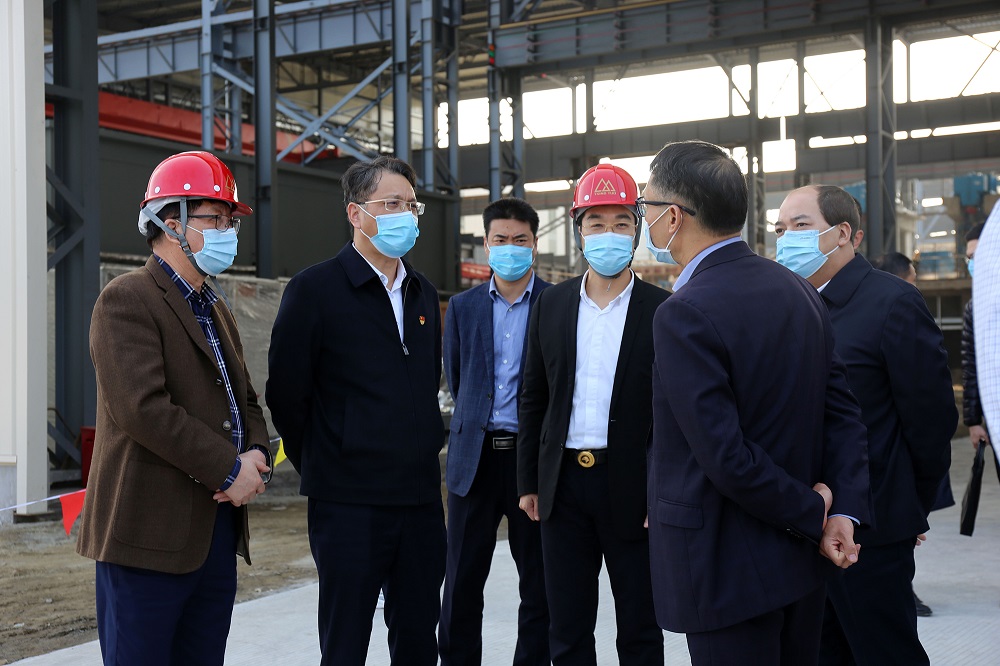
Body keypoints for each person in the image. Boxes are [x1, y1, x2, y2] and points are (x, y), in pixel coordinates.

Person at [645, 141, 872, 665]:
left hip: (725, 568)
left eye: (646, 207)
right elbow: (843, 416)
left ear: (673, 217)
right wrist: (844, 512)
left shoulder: (684, 312)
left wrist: (813, 511)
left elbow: (725, 455)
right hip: (799, 565)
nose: (644, 219)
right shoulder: (800, 291)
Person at [77, 151, 273, 666]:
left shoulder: (215, 306)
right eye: (216, 219)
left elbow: (245, 398)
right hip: (148, 536)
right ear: (171, 222)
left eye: (231, 221)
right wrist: (228, 468)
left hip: (214, 534)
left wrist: (256, 454)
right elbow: (142, 409)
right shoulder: (127, 299)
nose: (228, 232)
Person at [266, 156, 446, 665]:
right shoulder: (315, 290)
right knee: (345, 642)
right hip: (349, 504)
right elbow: (287, 395)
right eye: (391, 204)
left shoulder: (423, 294)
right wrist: (328, 461)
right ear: (355, 213)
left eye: (411, 205)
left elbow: (425, 382)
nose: (405, 215)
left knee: (418, 639)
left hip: (419, 502)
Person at [776, 184, 956, 665]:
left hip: (873, 526)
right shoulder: (790, 304)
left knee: (883, 649)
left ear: (843, 234)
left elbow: (931, 419)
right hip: (805, 522)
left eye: (800, 226)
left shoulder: (892, 302)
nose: (786, 239)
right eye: (780, 229)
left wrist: (909, 505)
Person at [517, 163, 668, 665]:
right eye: (596, 223)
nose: (609, 234)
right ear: (579, 230)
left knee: (640, 627)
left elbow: (672, 413)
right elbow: (534, 396)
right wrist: (529, 481)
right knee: (567, 626)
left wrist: (661, 489)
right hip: (562, 487)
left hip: (632, 486)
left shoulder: (663, 310)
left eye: (621, 223)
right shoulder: (552, 305)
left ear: (637, 230)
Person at [439, 198, 551, 666]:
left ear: (534, 244)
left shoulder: (556, 303)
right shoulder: (463, 307)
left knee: (539, 585)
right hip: (474, 460)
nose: (510, 247)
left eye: (520, 240)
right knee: (461, 583)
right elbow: (458, 377)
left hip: (532, 462)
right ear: (486, 244)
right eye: (501, 239)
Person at [963, 222, 1000, 482]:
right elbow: (971, 365)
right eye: (969, 258)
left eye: (977, 255)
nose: (973, 264)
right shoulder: (975, 307)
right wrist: (973, 420)